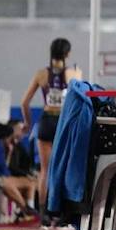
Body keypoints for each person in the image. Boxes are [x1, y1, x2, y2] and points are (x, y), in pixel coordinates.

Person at [19, 37, 81, 213]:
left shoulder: (41, 74)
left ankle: (43, 212)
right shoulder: (73, 74)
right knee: (66, 168)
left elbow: (24, 102)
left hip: (46, 121)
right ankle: (62, 212)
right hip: (64, 123)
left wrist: (27, 123)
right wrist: (79, 74)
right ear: (67, 54)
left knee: (45, 170)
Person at [0, 122, 38, 221]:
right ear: (6, 137)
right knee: (6, 182)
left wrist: (9, 152)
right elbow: (2, 167)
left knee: (30, 183)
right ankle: (25, 208)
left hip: (1, 176)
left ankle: (27, 210)